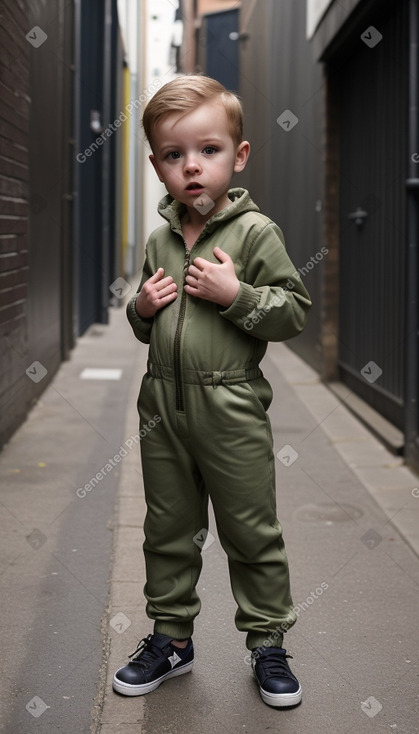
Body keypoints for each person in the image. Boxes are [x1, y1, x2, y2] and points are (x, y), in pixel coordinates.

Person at [112, 74, 311, 708]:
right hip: (161, 407)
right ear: (156, 165)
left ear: (239, 155)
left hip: (230, 405)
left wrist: (238, 297)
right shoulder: (159, 240)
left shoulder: (255, 235)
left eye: (208, 150)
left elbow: (292, 311)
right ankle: (171, 639)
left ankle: (268, 643)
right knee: (167, 527)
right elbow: (146, 328)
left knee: (250, 529)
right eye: (174, 156)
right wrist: (140, 308)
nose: (191, 167)